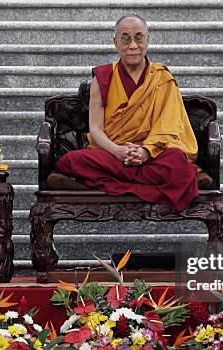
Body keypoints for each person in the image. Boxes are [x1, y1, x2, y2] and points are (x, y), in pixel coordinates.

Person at [51, 14, 208, 212]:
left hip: (152, 154)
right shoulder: (103, 77)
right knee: (71, 160)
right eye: (125, 38)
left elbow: (168, 127)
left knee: (176, 161)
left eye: (138, 38)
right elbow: (96, 129)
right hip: (113, 152)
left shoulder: (163, 78)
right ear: (115, 42)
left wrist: (145, 151)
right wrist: (118, 151)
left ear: (148, 40)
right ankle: (145, 183)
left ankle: (111, 182)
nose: (133, 45)